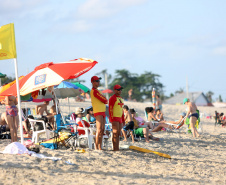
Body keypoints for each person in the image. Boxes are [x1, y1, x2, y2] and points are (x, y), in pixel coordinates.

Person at [90, 76, 108, 150]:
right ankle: (97, 147)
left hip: (102, 111)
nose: (98, 82)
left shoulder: (98, 91)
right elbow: (104, 100)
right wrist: (104, 99)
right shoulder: (94, 91)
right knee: (99, 129)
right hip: (98, 111)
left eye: (99, 81)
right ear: (93, 82)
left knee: (102, 129)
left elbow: (104, 99)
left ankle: (100, 146)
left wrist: (104, 99)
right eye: (97, 81)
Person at [109, 84, 125, 151]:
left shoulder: (120, 98)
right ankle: (115, 148)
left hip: (120, 118)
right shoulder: (112, 98)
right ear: (115, 90)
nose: (120, 91)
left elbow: (122, 110)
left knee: (118, 134)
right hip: (114, 117)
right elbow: (110, 109)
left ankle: (117, 148)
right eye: (118, 90)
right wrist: (111, 118)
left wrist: (123, 119)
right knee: (115, 133)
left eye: (120, 89)